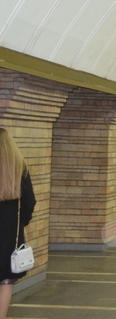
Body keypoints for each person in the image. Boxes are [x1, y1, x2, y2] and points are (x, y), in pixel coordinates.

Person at [0, 128, 36, 319]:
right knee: (5, 282)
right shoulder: (19, 168)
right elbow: (29, 202)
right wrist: (20, 223)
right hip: (10, 235)